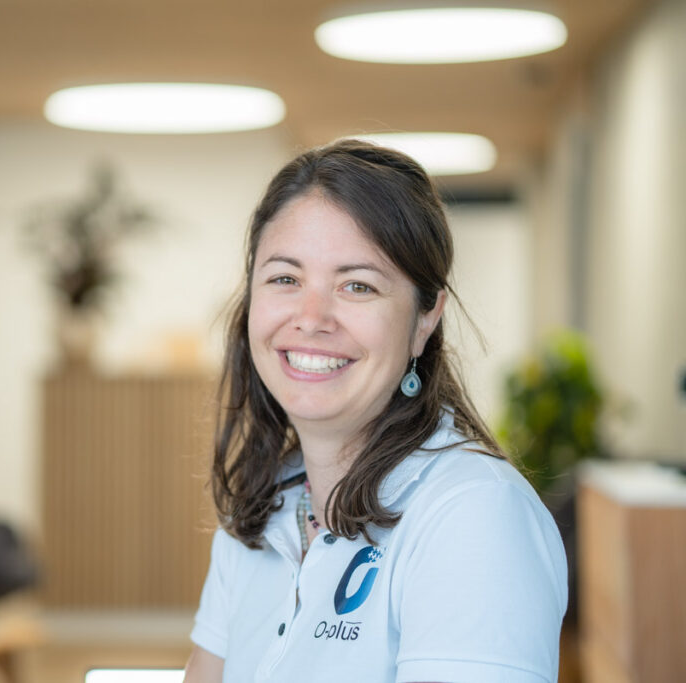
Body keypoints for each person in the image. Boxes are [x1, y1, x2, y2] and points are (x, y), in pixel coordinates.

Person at [183, 139, 567, 683]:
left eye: (357, 285)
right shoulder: (264, 506)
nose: (312, 317)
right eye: (285, 279)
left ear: (426, 317)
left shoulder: (474, 515)